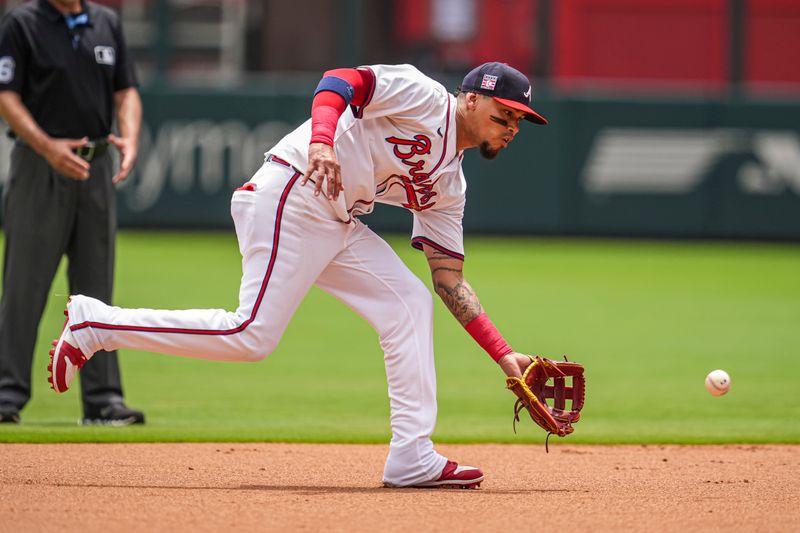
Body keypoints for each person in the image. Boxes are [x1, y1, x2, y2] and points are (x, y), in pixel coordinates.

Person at [48, 61, 547, 487]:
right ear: (469, 99)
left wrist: (505, 356)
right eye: (506, 112)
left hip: (337, 218)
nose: (512, 125)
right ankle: (94, 325)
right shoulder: (423, 95)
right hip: (293, 190)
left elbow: (449, 280)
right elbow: (339, 80)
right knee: (251, 335)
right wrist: (322, 142)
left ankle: (412, 456)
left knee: (409, 304)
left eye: (520, 119)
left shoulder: (449, 186)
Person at [0, 0, 144, 425]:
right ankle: (6, 395)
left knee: (97, 288)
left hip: (96, 166)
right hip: (39, 166)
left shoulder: (106, 22)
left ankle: (102, 400)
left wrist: (130, 137)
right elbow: (5, 95)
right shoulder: (22, 24)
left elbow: (126, 90)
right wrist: (47, 146)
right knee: (24, 286)